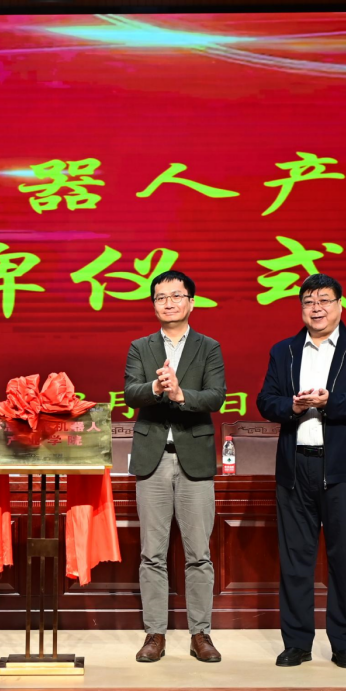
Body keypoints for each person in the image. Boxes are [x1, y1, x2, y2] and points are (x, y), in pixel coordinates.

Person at [256, 273, 346, 670]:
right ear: (301, 308)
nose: (317, 308)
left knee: (345, 561)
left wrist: (331, 401)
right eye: (309, 301)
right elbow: (266, 401)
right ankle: (297, 643)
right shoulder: (284, 350)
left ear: (340, 305)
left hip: (345, 471)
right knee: (295, 561)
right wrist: (292, 407)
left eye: (325, 300)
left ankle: (344, 644)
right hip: (296, 469)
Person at [124, 271, 227, 665]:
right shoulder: (140, 346)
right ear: (153, 305)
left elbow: (216, 396)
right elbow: (130, 392)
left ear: (191, 302)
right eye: (160, 297)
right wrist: (155, 388)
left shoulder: (209, 346)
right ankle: (155, 634)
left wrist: (181, 394)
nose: (168, 303)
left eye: (176, 295)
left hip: (194, 458)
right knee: (152, 553)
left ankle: (200, 634)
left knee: (198, 553)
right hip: (153, 457)